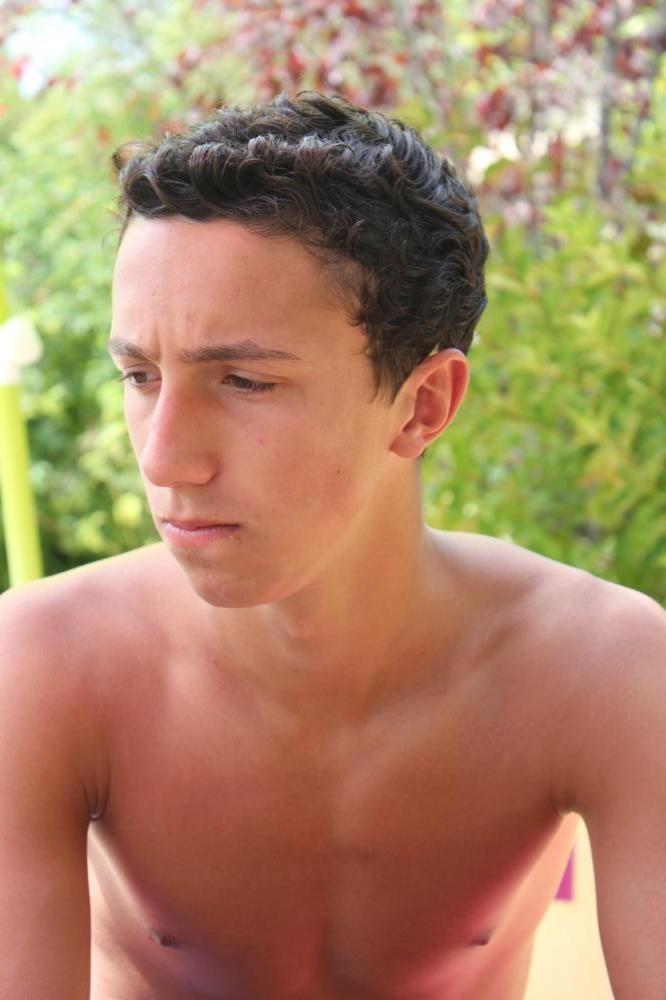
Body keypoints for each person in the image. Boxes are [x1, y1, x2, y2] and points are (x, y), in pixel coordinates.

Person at [0, 91, 664, 1000]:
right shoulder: (42, 665)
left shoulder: (600, 670)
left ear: (422, 405)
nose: (163, 460)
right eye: (140, 376)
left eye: (243, 380)